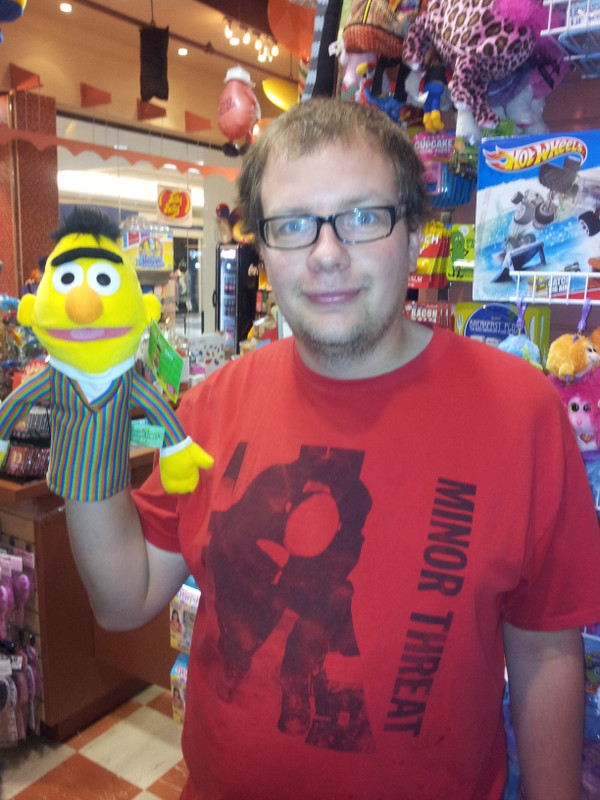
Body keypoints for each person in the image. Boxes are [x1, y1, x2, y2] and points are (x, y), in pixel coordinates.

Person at [64, 98, 600, 800]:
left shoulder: (522, 414)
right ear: (263, 250)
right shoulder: (209, 408)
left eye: (363, 216)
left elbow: (546, 649)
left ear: (414, 234)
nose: (326, 254)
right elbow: (123, 598)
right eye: (292, 224)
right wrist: (85, 406)